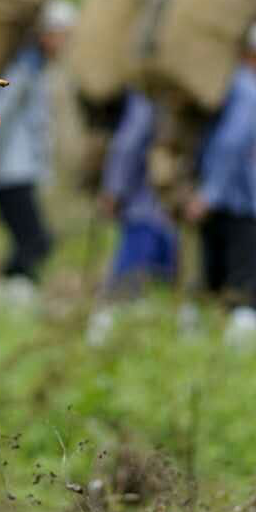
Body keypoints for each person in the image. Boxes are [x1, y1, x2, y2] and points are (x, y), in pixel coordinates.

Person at [183, 13, 256, 351]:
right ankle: (240, 366)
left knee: (211, 283)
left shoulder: (225, 84)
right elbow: (231, 143)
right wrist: (212, 194)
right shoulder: (249, 89)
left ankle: (188, 350)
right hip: (239, 203)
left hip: (213, 202)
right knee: (251, 291)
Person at [0, 0, 76, 301]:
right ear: (47, 34)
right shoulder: (22, 70)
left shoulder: (37, 69)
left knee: (29, 239)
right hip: (9, 171)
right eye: (62, 35)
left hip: (21, 170)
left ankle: (14, 289)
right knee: (35, 240)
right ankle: (12, 291)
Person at [85, 89, 179, 346]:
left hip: (159, 212)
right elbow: (128, 145)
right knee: (127, 283)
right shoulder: (149, 99)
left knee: (152, 284)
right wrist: (114, 190)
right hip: (147, 209)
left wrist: (113, 190)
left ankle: (138, 339)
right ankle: (101, 337)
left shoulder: (158, 99)